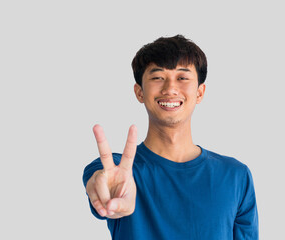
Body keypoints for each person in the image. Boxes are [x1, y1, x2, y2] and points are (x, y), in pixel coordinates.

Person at [82, 35, 259, 239]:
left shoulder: (236, 176)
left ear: (200, 92)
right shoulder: (115, 170)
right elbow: (101, 184)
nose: (170, 89)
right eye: (157, 78)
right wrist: (108, 197)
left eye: (182, 78)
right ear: (139, 92)